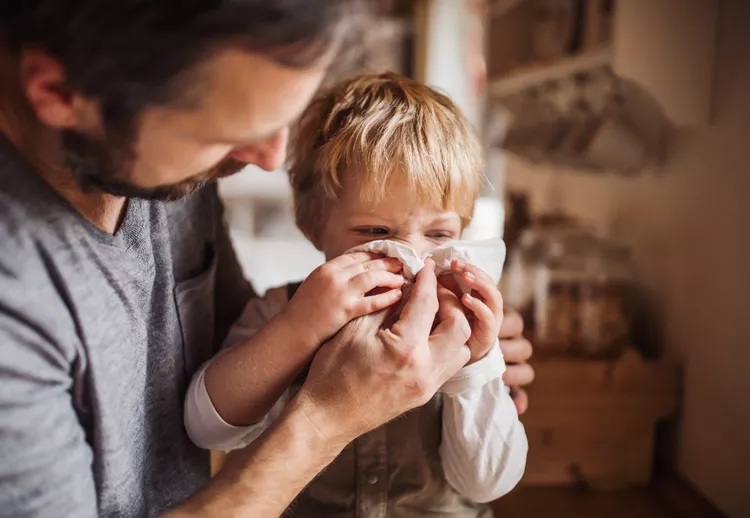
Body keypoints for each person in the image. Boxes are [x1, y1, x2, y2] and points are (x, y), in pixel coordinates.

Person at [0, 2, 535, 517]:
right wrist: (328, 410)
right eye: (224, 131)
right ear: (59, 93)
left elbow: (489, 476)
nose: (270, 160)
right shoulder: (16, 300)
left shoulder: (173, 173)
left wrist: (482, 365)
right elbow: (212, 415)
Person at [185, 73, 528, 517]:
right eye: (376, 233)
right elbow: (207, 429)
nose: (414, 258)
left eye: (439, 233)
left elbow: (486, 484)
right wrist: (299, 327)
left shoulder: (465, 327)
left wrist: (477, 367)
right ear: (314, 227)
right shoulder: (283, 311)